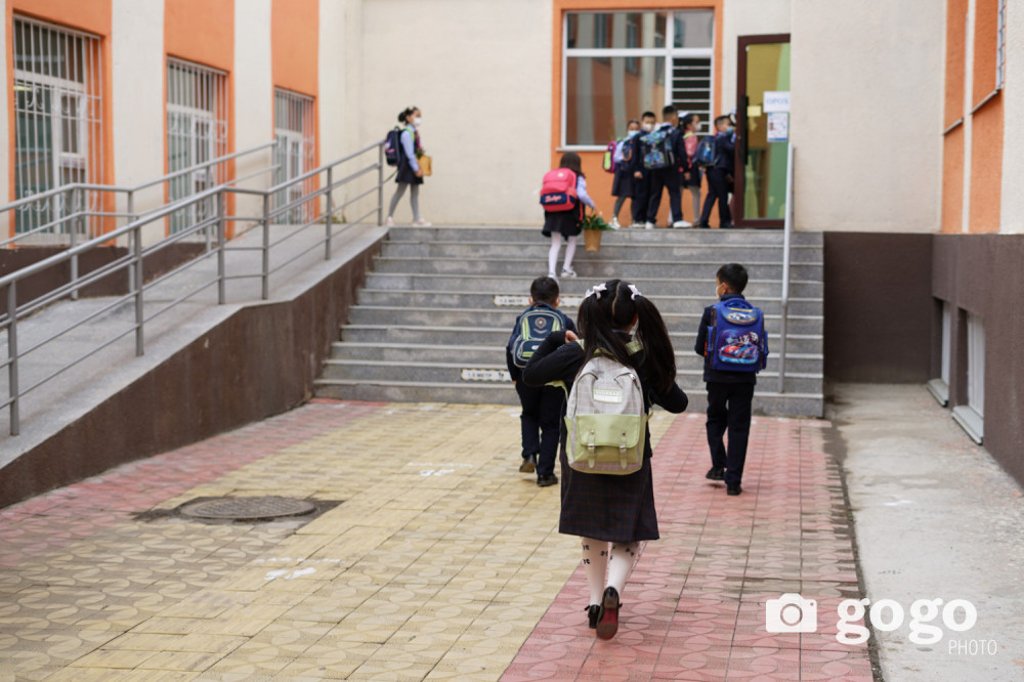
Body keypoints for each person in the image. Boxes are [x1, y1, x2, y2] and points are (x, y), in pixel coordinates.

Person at [523, 279, 688, 640]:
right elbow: (679, 403)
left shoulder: (576, 354)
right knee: (629, 532)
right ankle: (615, 587)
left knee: (592, 529)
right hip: (632, 458)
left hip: (581, 456)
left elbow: (530, 376)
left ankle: (596, 601)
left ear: (589, 315)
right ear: (635, 318)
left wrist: (555, 339)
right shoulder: (642, 355)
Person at [694, 263, 766, 496]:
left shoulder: (712, 312)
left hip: (717, 377)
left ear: (723, 287)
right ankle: (733, 482)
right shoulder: (755, 314)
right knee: (739, 427)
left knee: (715, 418)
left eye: (717, 283)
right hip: (745, 379)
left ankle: (718, 464)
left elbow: (699, 347)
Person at [506, 276, 576, 487]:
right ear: (558, 300)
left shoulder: (523, 318)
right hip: (554, 378)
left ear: (531, 299)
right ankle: (545, 474)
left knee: (529, 414)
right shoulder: (564, 320)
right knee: (551, 424)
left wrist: (514, 376)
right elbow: (575, 349)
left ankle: (529, 454)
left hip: (526, 375)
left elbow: (510, 347)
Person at [543, 152, 595, 279]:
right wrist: (592, 204)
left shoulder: (555, 175)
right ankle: (566, 269)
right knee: (572, 239)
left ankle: (551, 273)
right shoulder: (578, 176)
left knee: (555, 243)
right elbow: (581, 195)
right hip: (570, 211)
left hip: (553, 211)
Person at [644, 105, 690, 229]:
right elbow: (682, 153)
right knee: (674, 193)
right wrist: (686, 169)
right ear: (674, 117)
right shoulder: (676, 133)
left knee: (655, 194)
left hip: (656, 167)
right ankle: (677, 219)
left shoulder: (655, 133)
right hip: (671, 168)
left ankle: (650, 221)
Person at [385, 106, 431, 227]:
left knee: (415, 193)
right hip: (407, 167)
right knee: (400, 192)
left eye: (420, 116)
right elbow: (409, 154)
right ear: (408, 117)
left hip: (414, 165)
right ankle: (389, 217)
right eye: (417, 116)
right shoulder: (406, 133)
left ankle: (417, 218)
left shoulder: (414, 132)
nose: (419, 119)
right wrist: (416, 169)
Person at [696, 115, 736, 229]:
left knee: (712, 195)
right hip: (718, 170)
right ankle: (724, 222)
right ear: (719, 126)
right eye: (728, 124)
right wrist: (736, 138)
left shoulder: (717, 138)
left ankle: (703, 221)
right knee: (723, 196)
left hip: (712, 170)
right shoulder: (722, 138)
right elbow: (732, 149)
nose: (731, 127)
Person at [628, 111, 657, 228]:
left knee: (651, 195)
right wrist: (636, 169)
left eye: (652, 122)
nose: (649, 125)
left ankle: (647, 219)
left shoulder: (656, 136)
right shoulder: (637, 137)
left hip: (653, 170)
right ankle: (637, 219)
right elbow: (634, 155)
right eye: (647, 122)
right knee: (640, 195)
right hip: (641, 170)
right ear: (642, 122)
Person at [610, 119, 640, 229]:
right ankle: (614, 218)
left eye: (636, 129)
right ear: (627, 130)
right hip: (624, 172)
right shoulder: (623, 143)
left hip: (636, 172)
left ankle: (634, 220)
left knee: (635, 197)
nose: (634, 131)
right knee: (622, 196)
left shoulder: (640, 142)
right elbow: (616, 158)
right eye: (631, 129)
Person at [679, 112, 703, 225]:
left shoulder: (680, 135)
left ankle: (672, 218)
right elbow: (690, 152)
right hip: (691, 167)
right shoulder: (692, 137)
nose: (699, 124)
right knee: (696, 193)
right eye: (697, 122)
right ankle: (696, 219)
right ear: (689, 125)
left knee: (677, 194)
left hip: (679, 167)